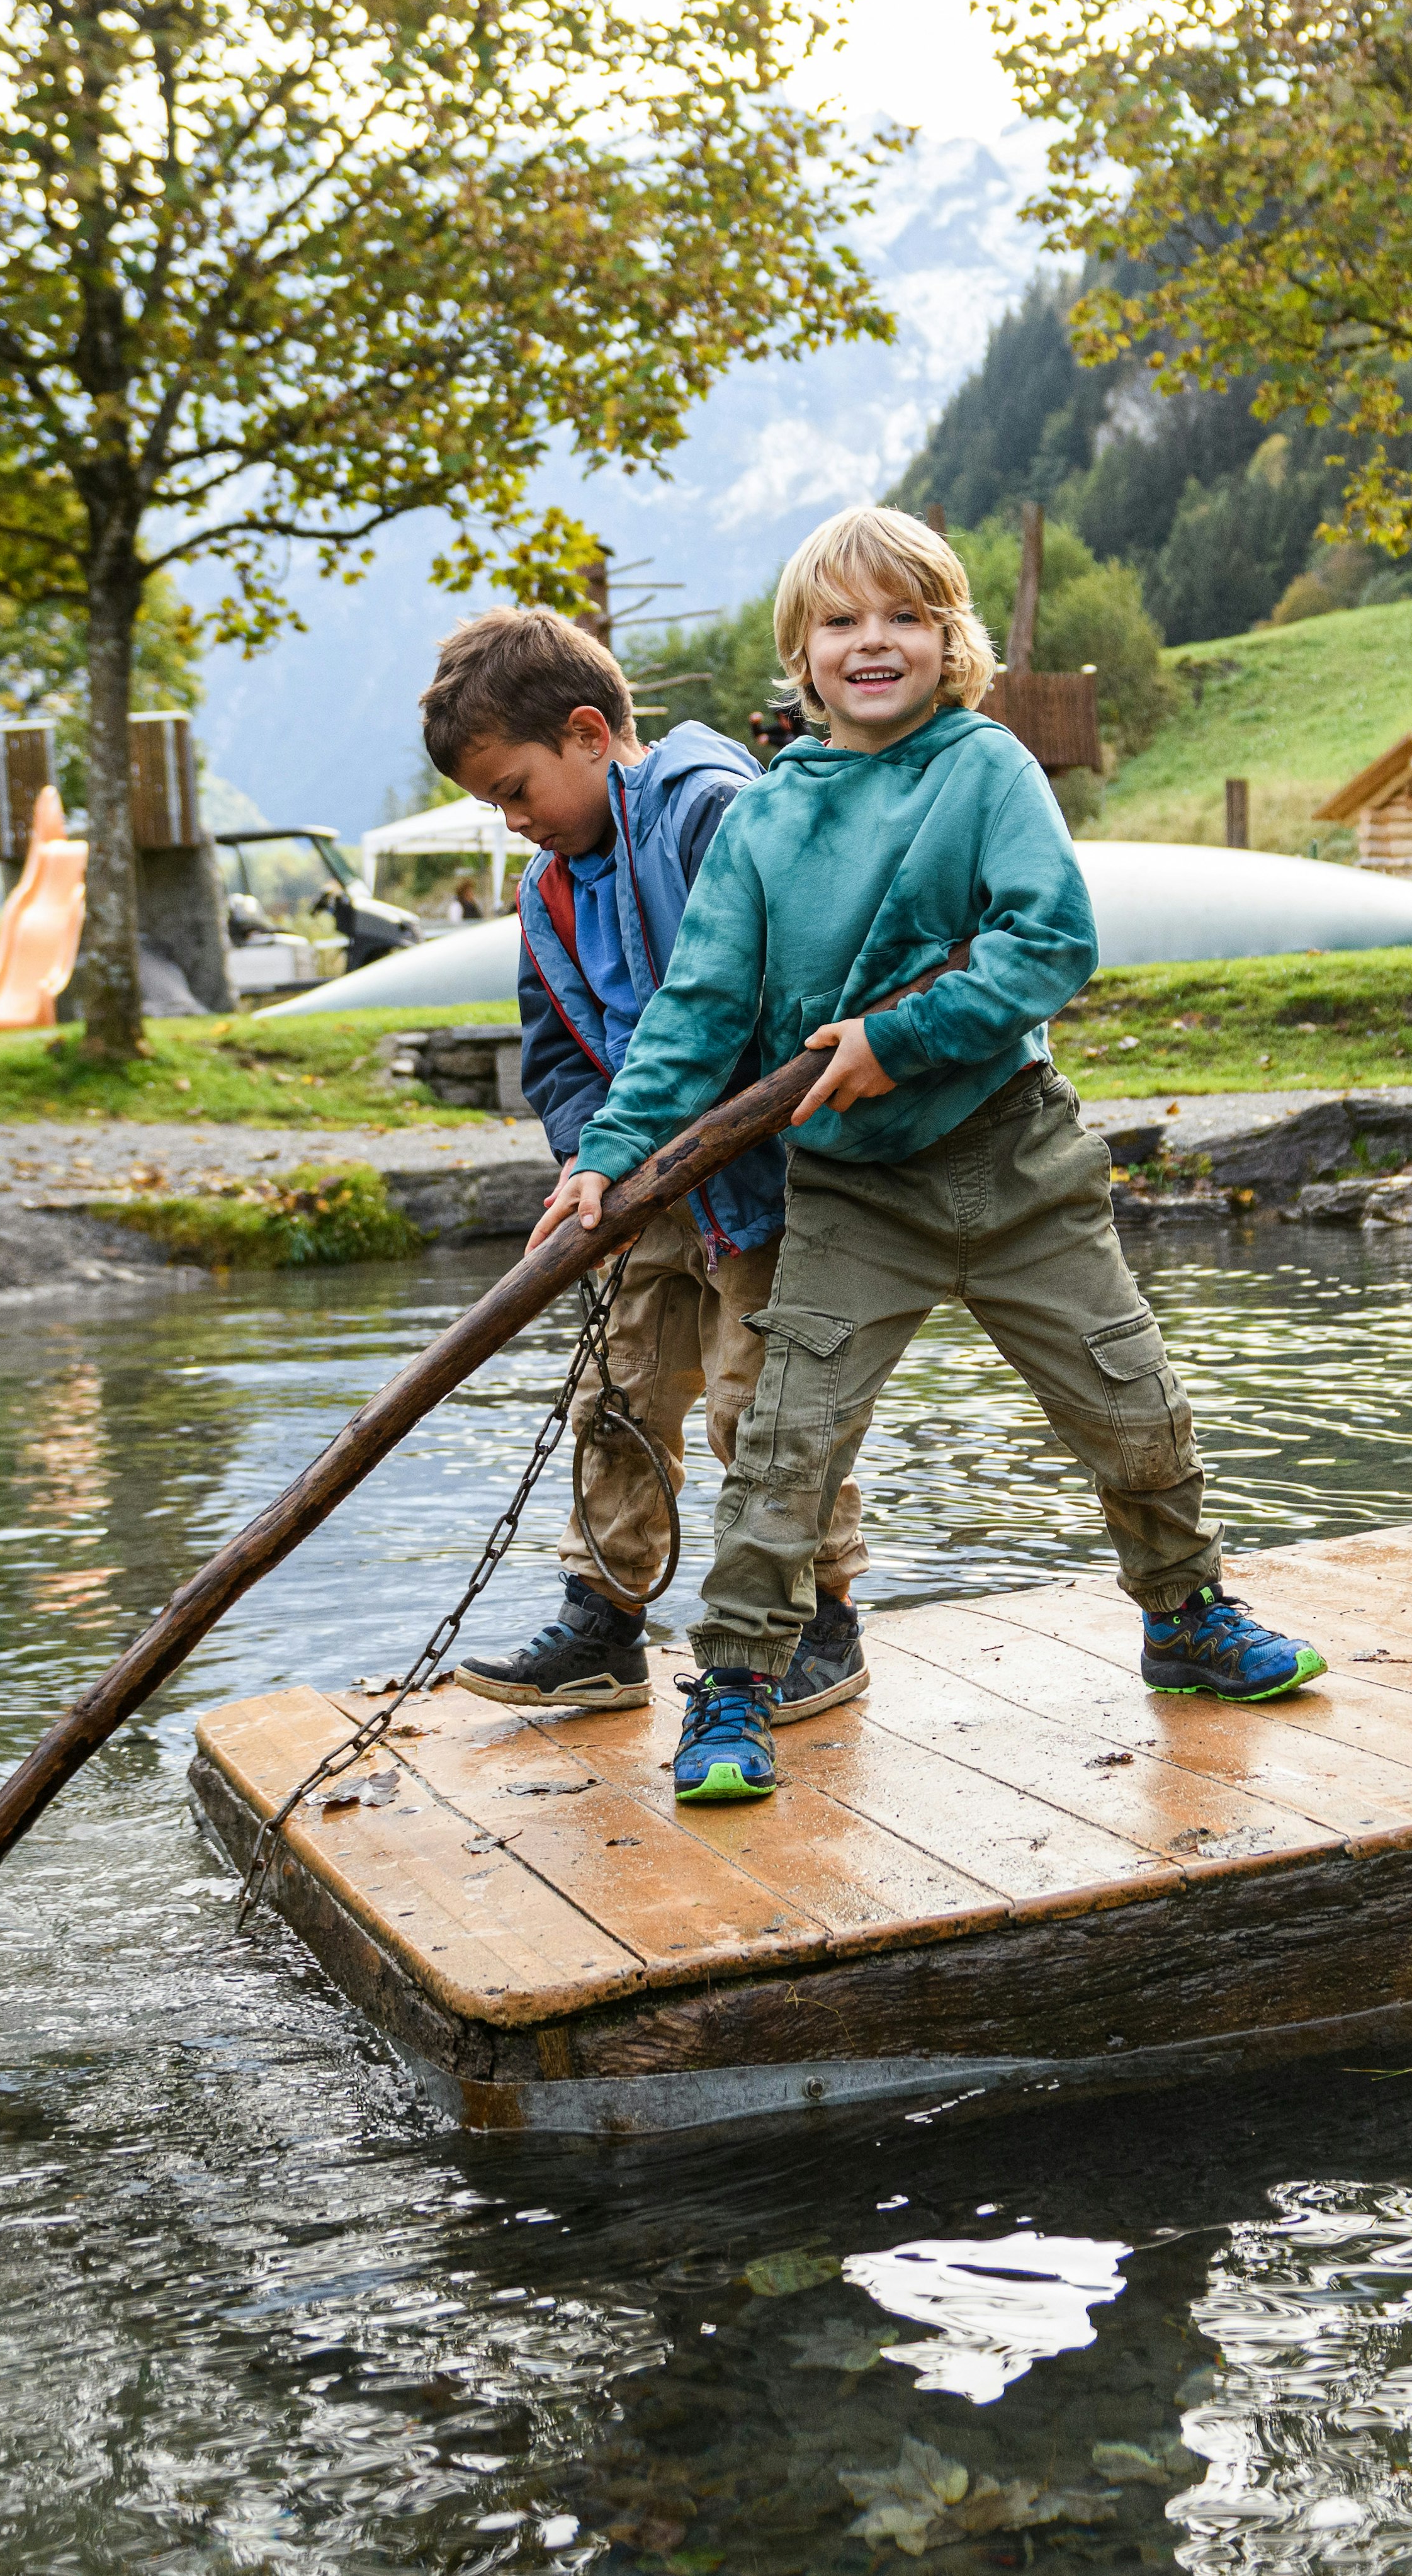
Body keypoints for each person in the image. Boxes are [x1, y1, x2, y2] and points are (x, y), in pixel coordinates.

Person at [538, 502, 1322, 1807]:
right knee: (787, 1442)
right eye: (841, 620)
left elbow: (1045, 943)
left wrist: (900, 1036)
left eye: (904, 615)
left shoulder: (987, 770)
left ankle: (1184, 1616)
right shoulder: (764, 822)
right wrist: (610, 1154)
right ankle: (733, 1685)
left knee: (1130, 1407)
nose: (873, 641)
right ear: (801, 653)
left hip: (1018, 1162)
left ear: (949, 637)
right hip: (850, 1188)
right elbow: (697, 1013)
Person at [421, 607, 877, 1724]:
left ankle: (817, 1620)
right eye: (496, 806)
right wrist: (590, 1163)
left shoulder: (708, 813)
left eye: (518, 790)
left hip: (763, 1182)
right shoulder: (548, 893)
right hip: (642, 1194)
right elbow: (559, 1057)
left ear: (588, 732)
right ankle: (603, 1623)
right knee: (616, 1393)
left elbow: (769, 988)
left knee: (760, 1408)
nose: (516, 822)